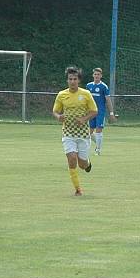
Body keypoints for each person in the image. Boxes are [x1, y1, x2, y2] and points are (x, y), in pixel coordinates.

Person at [53, 66, 98, 195]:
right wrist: (59, 117)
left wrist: (84, 119)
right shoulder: (62, 95)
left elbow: (94, 111)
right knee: (72, 158)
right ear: (67, 80)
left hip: (83, 134)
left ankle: (87, 163)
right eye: (70, 79)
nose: (72, 81)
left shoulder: (86, 94)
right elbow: (55, 111)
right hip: (68, 133)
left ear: (79, 81)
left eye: (75, 79)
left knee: (82, 164)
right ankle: (78, 189)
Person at [86, 67, 116, 155]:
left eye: (98, 74)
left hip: (100, 112)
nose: (96, 76)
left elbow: (108, 100)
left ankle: (98, 149)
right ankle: (98, 143)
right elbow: (86, 99)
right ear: (93, 75)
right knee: (89, 132)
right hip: (91, 112)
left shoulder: (104, 86)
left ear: (101, 76)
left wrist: (111, 113)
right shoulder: (89, 86)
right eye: (95, 74)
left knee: (99, 130)